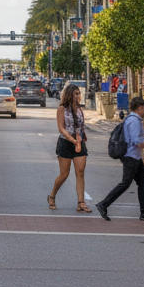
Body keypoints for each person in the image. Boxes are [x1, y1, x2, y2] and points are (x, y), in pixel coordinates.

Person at [95, 96, 144, 222]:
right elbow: (137, 141)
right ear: (140, 107)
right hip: (131, 157)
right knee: (125, 183)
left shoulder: (130, 119)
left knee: (143, 184)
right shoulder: (134, 121)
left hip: (135, 156)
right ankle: (103, 204)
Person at [49, 84, 89, 213]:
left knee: (80, 172)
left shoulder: (79, 109)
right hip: (66, 143)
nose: (78, 96)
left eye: (79, 93)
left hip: (79, 142)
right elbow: (61, 128)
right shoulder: (62, 109)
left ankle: (81, 203)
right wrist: (73, 140)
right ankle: (52, 196)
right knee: (64, 174)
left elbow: (81, 126)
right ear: (69, 94)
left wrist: (80, 139)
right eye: (75, 93)